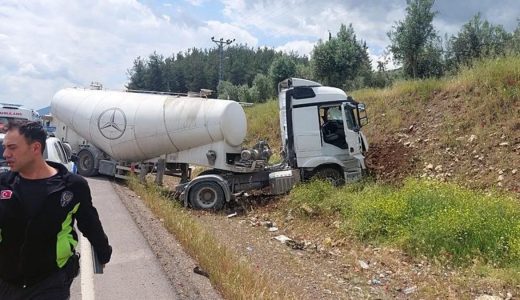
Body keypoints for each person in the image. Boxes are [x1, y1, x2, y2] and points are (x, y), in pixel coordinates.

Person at [0, 120, 112, 299]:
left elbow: (90, 223)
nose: (6, 154)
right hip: (5, 282)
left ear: (35, 148)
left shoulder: (72, 186)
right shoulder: (3, 184)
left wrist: (103, 253)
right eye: (5, 147)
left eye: (12, 147)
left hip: (50, 282)